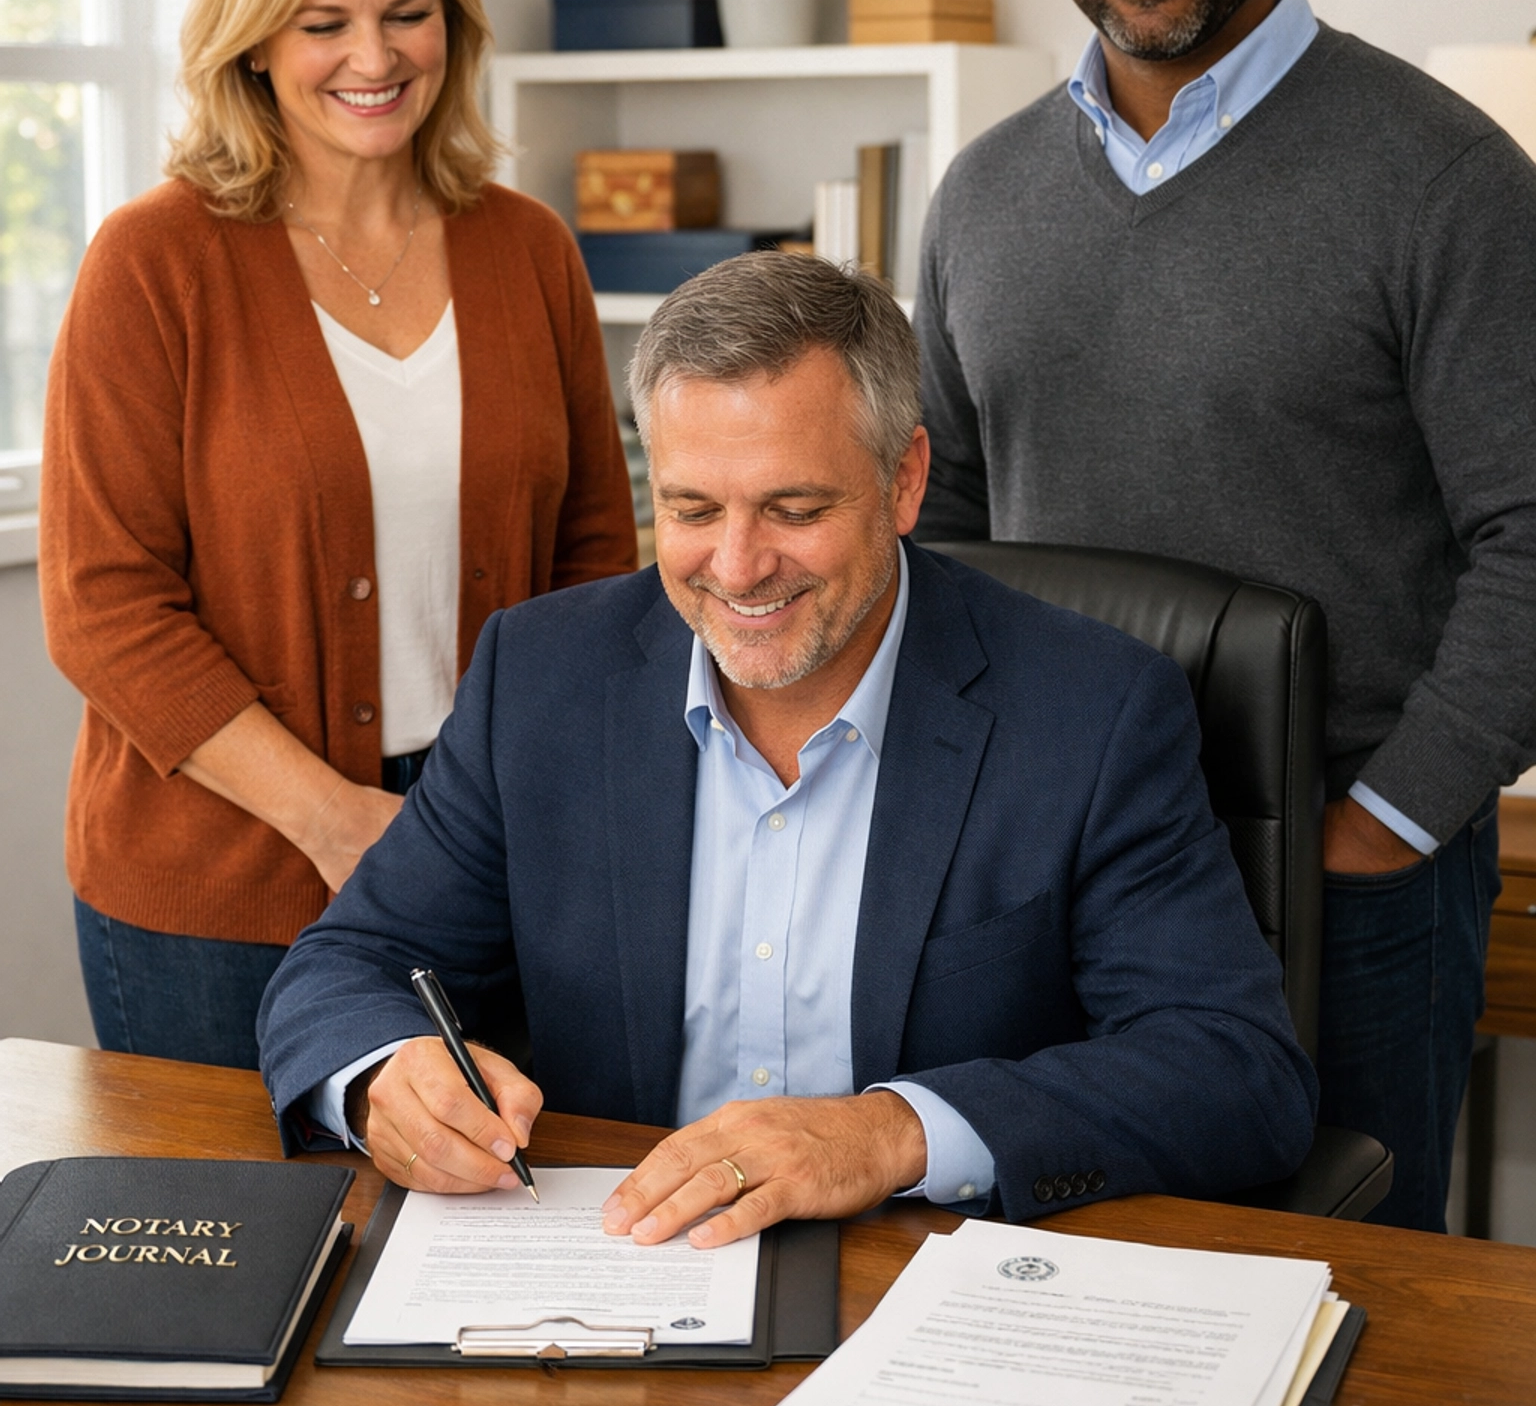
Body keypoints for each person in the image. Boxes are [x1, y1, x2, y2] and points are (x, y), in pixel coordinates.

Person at [257, 252, 1315, 1239]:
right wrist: (382, 1074)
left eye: (794, 508)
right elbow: (348, 963)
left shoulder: (1093, 707)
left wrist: (894, 1133)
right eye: (691, 508)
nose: (737, 565)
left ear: (904, 483)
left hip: (927, 1275)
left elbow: (1234, 1072)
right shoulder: (542, 678)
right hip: (618, 1268)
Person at [915, 0, 1536, 1232]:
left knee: (1348, 1308)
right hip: (1045, 865)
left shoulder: (1445, 181)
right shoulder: (982, 193)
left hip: (1348, 872)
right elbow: (940, 525)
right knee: (1055, 1284)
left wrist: (1382, 830)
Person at [40, 0, 636, 1072]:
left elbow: (592, 553)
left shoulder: (530, 250)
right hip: (218, 883)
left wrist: (536, 811)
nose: (374, 59)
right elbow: (103, 606)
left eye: (408, 15)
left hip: (492, 854)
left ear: (453, 27)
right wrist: (333, 818)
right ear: (253, 37)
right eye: (323, 23)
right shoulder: (155, 263)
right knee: (242, 1254)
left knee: (485, 1237)